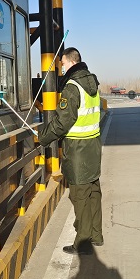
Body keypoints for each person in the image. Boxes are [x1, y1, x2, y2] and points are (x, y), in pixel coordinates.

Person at [37, 47, 103, 255]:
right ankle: (96, 235)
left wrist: (43, 137)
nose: (62, 68)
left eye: (63, 64)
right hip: (93, 146)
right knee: (94, 191)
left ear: (71, 62)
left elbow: (63, 121)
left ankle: (82, 242)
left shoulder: (72, 87)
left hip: (77, 150)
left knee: (80, 196)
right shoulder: (92, 82)